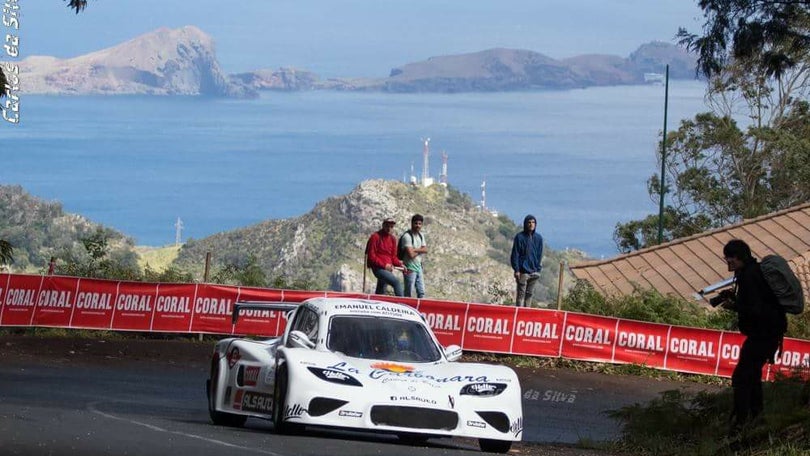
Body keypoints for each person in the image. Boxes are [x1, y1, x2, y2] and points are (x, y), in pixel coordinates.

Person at [719, 239, 787, 433]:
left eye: (730, 258)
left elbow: (756, 309)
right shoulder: (751, 272)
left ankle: (741, 422)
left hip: (763, 334)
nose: (728, 263)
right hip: (767, 334)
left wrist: (734, 306)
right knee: (752, 375)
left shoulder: (750, 276)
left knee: (741, 377)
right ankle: (756, 417)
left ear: (739, 257)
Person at [510, 214, 544, 307]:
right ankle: (519, 315)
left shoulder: (538, 238)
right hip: (523, 272)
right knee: (521, 295)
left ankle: (526, 316)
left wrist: (538, 269)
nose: (531, 224)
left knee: (529, 295)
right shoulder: (519, 237)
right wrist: (517, 270)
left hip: (534, 272)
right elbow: (515, 254)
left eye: (533, 222)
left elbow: (539, 254)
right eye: (529, 222)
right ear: (525, 224)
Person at [366, 217, 404, 297]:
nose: (389, 228)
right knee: (396, 282)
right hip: (378, 268)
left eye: (391, 227)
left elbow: (393, 257)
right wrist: (384, 265)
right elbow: (371, 256)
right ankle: (403, 304)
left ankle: (376, 304)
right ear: (383, 225)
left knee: (380, 291)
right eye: (387, 226)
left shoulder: (393, 239)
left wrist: (401, 265)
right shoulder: (375, 237)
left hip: (388, 268)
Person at [400, 214, 428, 298]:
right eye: (416, 223)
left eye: (420, 224)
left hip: (418, 267)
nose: (418, 226)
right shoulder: (407, 236)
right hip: (409, 268)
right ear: (412, 223)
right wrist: (420, 250)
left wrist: (415, 249)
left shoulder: (421, 235)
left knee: (421, 291)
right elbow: (411, 255)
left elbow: (425, 249)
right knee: (408, 292)